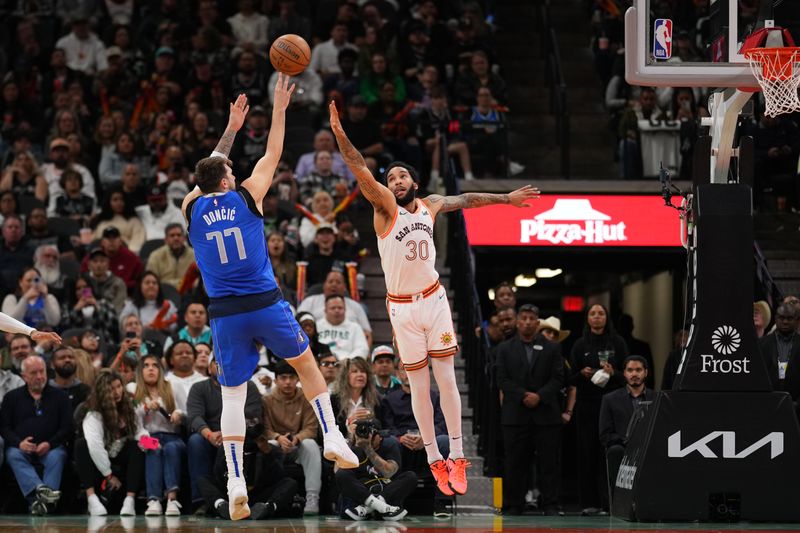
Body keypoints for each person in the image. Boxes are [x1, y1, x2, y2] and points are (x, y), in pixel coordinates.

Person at [330, 99, 539, 496]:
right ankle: (433, 459)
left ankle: (457, 457)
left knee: (447, 381)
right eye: (390, 177)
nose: (395, 181)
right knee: (421, 388)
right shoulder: (385, 209)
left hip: (434, 300)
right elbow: (360, 168)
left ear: (415, 182)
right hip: (402, 308)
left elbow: (467, 200)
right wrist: (342, 136)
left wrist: (505, 199)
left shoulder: (431, 205)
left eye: (401, 176)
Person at [183, 83, 357, 520]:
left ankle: (235, 480)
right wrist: (279, 110)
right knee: (306, 365)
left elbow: (207, 172)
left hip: (224, 313)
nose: (236, 174)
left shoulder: (190, 207)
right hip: (263, 301)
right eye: (231, 172)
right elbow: (275, 152)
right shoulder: (247, 196)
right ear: (226, 181)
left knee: (234, 397)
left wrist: (229, 129)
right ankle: (333, 435)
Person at [495, 304, 564, 515]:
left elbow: (559, 378)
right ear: (517, 321)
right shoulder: (504, 348)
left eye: (531, 318)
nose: (526, 322)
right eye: (523, 318)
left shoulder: (552, 348)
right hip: (516, 414)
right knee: (515, 462)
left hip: (546, 415)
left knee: (549, 463)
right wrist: (523, 395)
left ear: (537, 322)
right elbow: (502, 380)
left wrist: (539, 396)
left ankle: (550, 503)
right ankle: (514, 504)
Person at [568, 303, 628, 515]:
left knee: (610, 452)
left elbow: (626, 376)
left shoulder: (618, 343)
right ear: (587, 318)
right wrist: (582, 373)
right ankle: (589, 503)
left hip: (612, 406)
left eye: (601, 313)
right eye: (592, 314)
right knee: (587, 453)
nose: (596, 317)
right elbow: (569, 379)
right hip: (587, 405)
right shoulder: (579, 345)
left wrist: (614, 373)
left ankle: (610, 502)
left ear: (606, 317)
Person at [186, 354, 263, 513]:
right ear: (209, 367)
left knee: (242, 441)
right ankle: (202, 500)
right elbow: (194, 416)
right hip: (209, 436)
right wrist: (209, 434)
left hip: (240, 435)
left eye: (227, 361)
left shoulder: (250, 386)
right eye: (217, 362)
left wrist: (228, 434)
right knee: (195, 441)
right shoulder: (199, 388)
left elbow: (254, 417)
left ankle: (239, 497)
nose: (222, 365)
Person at [0, 355, 72, 515]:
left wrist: (50, 443)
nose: (39, 376)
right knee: (13, 455)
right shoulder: (11, 398)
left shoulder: (61, 397)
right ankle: (41, 492)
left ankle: (38, 502)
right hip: (21, 448)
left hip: (51, 447)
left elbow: (67, 428)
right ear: (24, 376)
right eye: (34, 373)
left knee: (57, 456)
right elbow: (4, 427)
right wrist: (19, 443)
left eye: (42, 371)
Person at [74, 369, 145, 516]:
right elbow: (95, 448)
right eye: (111, 389)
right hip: (99, 457)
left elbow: (140, 432)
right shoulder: (93, 413)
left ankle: (129, 501)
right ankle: (91, 498)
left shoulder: (129, 407)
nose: (117, 392)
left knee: (136, 447)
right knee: (81, 445)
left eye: (119, 386)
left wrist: (152, 443)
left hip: (119, 452)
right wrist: (109, 475)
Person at [262, 360, 322, 515]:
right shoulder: (266, 400)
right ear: (275, 380)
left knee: (311, 445)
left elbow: (311, 428)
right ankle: (268, 498)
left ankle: (312, 497)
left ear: (298, 379)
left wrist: (297, 438)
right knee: (266, 444)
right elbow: (265, 429)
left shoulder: (307, 397)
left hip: (297, 446)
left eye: (291, 377)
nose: (288, 382)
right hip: (276, 445)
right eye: (283, 378)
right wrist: (277, 438)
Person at [131, 353, 186, 516]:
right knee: (154, 449)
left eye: (155, 365)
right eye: (146, 366)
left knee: (171, 448)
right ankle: (153, 500)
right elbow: (133, 423)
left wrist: (178, 414)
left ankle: (172, 499)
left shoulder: (173, 386)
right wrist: (146, 408)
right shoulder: (133, 391)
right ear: (140, 371)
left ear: (161, 370)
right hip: (146, 436)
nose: (150, 369)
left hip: (172, 436)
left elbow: (185, 410)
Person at [335, 417, 414, 521]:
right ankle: (382, 508)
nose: (367, 436)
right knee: (342, 473)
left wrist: (368, 449)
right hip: (361, 492)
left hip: (385, 491)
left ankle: (369, 508)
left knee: (410, 476)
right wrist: (351, 441)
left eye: (372, 434)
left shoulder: (390, 445)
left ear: (380, 436)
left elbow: (389, 472)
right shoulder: (352, 447)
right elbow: (337, 471)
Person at [599, 355, 653, 499]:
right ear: (624, 373)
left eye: (638, 370)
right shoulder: (610, 399)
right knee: (615, 451)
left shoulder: (657, 398)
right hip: (622, 447)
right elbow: (605, 435)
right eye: (630, 370)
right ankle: (620, 500)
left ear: (646, 372)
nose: (634, 374)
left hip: (650, 448)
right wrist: (628, 441)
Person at [759, 303, 800, 390]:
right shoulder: (762, 344)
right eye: (781, 318)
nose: (785, 322)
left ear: (796, 320)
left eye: (789, 318)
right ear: (775, 319)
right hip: (768, 399)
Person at [316, 294, 369, 360]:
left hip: (348, 365)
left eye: (340, 308)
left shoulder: (355, 327)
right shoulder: (316, 326)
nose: (337, 311)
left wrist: (347, 361)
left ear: (345, 309)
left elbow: (362, 349)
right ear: (325, 310)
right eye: (333, 308)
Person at [145, 223, 196, 290]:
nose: (176, 238)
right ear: (166, 239)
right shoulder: (156, 256)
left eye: (179, 235)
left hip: (188, 292)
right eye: (172, 235)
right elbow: (150, 280)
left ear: (184, 238)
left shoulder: (194, 255)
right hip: (163, 292)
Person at [49, 344, 91, 411]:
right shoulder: (46, 390)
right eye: (62, 358)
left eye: (71, 357)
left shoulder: (85, 391)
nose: (67, 360)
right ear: (52, 364)